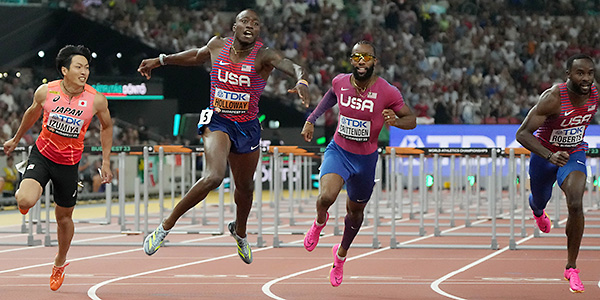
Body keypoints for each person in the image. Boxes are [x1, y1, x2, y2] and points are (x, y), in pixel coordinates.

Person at [138, 9, 310, 264]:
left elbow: (293, 66)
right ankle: (165, 226)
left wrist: (302, 81)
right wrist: (161, 60)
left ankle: (240, 233)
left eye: (256, 23)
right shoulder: (217, 45)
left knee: (246, 187)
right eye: (245, 21)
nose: (250, 25)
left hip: (248, 126)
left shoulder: (264, 55)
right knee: (214, 176)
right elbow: (196, 56)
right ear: (235, 26)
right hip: (218, 120)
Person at [301, 41, 416, 287]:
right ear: (351, 60)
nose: (361, 60)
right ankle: (320, 222)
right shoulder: (340, 81)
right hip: (339, 151)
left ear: (374, 61)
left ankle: (340, 257)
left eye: (367, 57)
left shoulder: (387, 91)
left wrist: (395, 121)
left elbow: (412, 120)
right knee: (326, 197)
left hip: (365, 160)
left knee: (355, 214)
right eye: (356, 57)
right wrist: (311, 119)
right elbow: (330, 96)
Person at [3, 45, 114, 291]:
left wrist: (105, 161)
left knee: (64, 219)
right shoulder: (46, 92)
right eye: (79, 66)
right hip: (42, 154)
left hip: (69, 164)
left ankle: (59, 262)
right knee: (24, 200)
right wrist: (15, 138)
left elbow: (107, 127)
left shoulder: (96, 99)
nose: (84, 71)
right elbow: (31, 114)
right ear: (65, 70)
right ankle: (27, 198)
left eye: (86, 67)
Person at [515, 53, 597, 293]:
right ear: (568, 75)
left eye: (590, 73)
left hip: (574, 154)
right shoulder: (552, 98)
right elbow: (522, 134)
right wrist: (550, 155)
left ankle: (571, 268)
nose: (586, 78)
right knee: (539, 199)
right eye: (580, 73)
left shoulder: (595, 93)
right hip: (545, 156)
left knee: (575, 202)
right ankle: (538, 211)